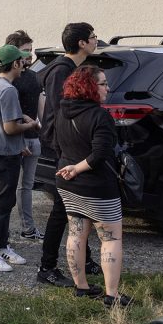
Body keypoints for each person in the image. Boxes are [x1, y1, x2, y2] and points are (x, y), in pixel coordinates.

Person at [54, 65, 132, 308]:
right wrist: (78, 168)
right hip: (96, 186)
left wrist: (72, 169)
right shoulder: (100, 116)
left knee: (76, 233)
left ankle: (82, 287)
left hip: (67, 182)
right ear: (89, 87)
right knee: (110, 239)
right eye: (103, 83)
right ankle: (112, 295)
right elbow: (100, 154)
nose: (108, 88)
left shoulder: (61, 112)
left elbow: (57, 145)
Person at [35, 22, 100, 287]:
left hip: (71, 148)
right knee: (63, 209)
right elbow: (57, 113)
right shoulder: (62, 70)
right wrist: (64, 148)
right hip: (63, 149)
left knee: (80, 207)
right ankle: (47, 267)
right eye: (93, 36)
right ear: (82, 43)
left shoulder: (73, 68)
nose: (97, 40)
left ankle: (85, 259)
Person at [0, 44, 37, 272]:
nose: (25, 64)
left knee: (6, 201)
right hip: (3, 155)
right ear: (15, 64)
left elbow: (3, 121)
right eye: (22, 60)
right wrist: (31, 125)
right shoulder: (9, 90)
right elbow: (10, 128)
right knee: (0, 203)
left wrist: (19, 143)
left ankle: (1, 246)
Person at [6, 30, 45, 241]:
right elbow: (9, 112)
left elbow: (40, 103)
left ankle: (28, 228)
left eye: (31, 50)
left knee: (27, 186)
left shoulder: (33, 76)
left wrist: (44, 128)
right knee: (9, 187)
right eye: (25, 51)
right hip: (15, 139)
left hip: (33, 137)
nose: (29, 55)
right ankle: (3, 232)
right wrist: (18, 140)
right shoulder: (9, 79)